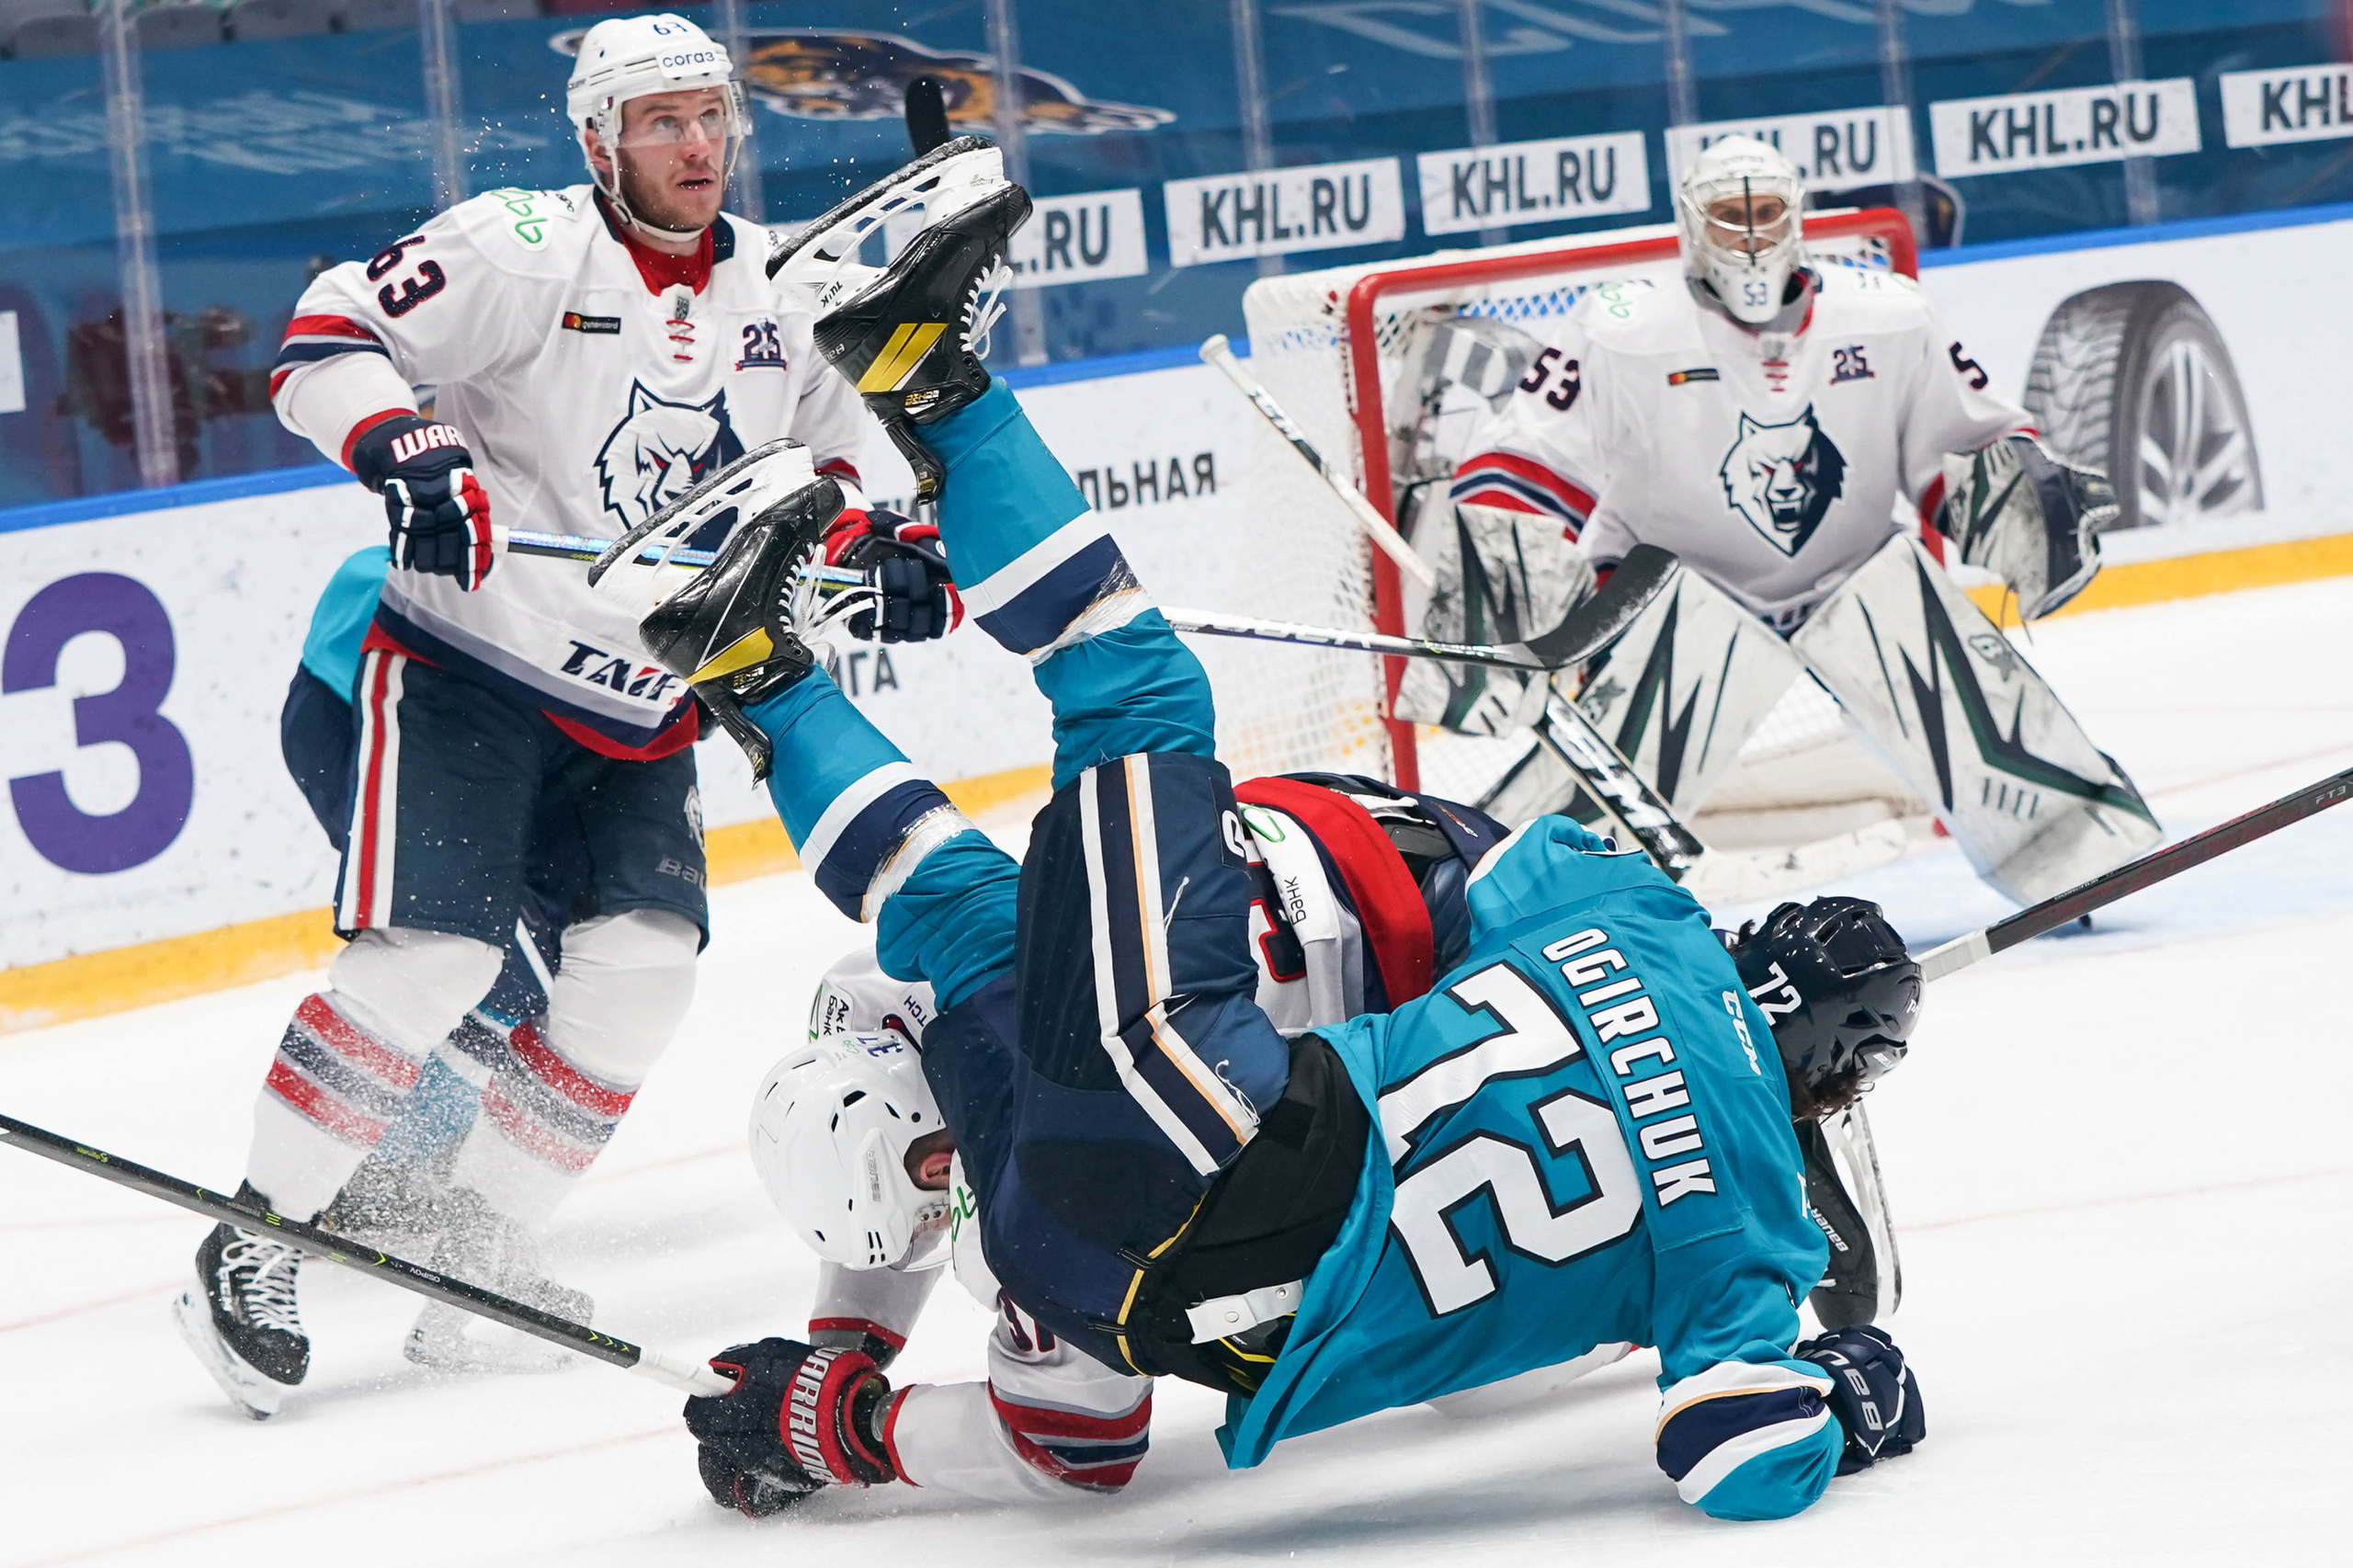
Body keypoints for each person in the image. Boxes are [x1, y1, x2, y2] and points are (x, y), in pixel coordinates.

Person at [600, 138, 1927, 1519]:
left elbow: (1498, 873)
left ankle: (917, 385)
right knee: (982, 875)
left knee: (1133, 690)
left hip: (1217, 1111)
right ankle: (748, 653)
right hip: (1160, 1241)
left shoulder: (1642, 939)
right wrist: (824, 1409)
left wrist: (832, 1382)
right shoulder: (1746, 1222)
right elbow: (1746, 1455)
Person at [175, 11, 956, 1417]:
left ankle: (473, 1254)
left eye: (710, 115)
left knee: (644, 976)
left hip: (651, 703)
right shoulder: (524, 245)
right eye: (661, 121)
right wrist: (400, 442)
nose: (697, 144)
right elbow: (324, 333)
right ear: (599, 141)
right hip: (471, 671)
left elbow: (857, 467)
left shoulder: (780, 287)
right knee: (426, 966)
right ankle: (252, 1241)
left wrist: (892, 551)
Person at [1421, 135, 2160, 909]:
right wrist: (1496, 609)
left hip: (1852, 580)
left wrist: (2029, 505)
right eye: (1727, 213)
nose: (1748, 232)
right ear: (1690, 221)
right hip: (1673, 596)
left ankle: (2074, 854)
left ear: (1797, 218)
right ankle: (1515, 903)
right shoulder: (1619, 325)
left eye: (1765, 211)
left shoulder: (1888, 314)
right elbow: (1525, 461)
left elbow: (1967, 440)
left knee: (1923, 629)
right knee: (1593, 818)